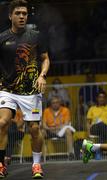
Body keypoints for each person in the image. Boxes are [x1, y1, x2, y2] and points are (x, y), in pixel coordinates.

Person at [0, 0, 50, 178]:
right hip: (7, 89)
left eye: (24, 13)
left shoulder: (36, 36)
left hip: (31, 91)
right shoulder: (2, 38)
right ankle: (0, 163)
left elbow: (45, 59)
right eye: (18, 13)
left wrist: (42, 75)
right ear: (10, 16)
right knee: (2, 123)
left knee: (34, 129)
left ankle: (36, 165)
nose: (22, 16)